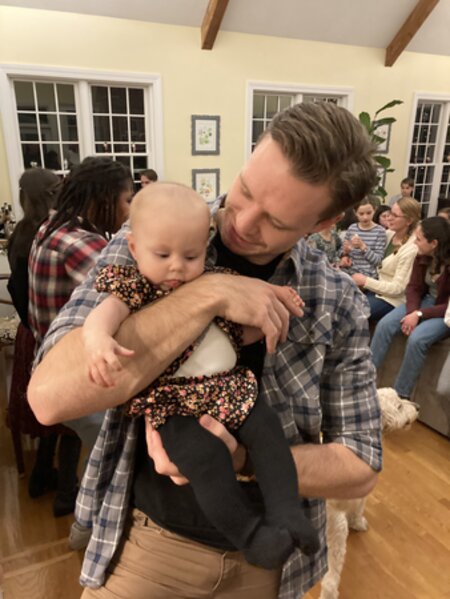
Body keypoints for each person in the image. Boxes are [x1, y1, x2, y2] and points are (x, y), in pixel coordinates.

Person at [29, 102, 382, 599]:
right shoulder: (157, 237)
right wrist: (208, 292)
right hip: (146, 546)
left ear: (323, 224)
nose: (243, 222)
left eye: (276, 220)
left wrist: (242, 460)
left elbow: (362, 464)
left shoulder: (335, 299)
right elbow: (48, 399)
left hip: (272, 565)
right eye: (245, 190)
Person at [82, 182, 319, 568]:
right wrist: (98, 342)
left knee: (269, 432)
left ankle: (287, 512)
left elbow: (235, 329)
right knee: (205, 461)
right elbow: (99, 319)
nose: (177, 266)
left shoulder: (214, 280)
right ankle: (250, 535)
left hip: (228, 387)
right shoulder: (133, 288)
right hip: (175, 405)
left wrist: (276, 305)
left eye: (191, 255)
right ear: (135, 249)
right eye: (163, 254)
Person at [28, 157, 133, 522]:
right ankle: (89, 525)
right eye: (127, 201)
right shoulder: (82, 243)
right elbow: (130, 295)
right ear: (102, 200)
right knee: (117, 458)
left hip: (49, 363)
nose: (129, 211)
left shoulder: (51, 227)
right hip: (73, 375)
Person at [7, 168, 63, 498]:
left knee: (47, 413)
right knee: (60, 413)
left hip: (28, 329)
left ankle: (42, 473)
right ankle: (57, 482)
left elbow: (16, 288)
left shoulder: (21, 231)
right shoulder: (48, 234)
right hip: (43, 329)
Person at [370, 217, 450, 399]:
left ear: (434, 243)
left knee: (417, 339)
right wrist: (412, 312)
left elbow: (447, 307)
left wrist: (420, 314)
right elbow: (413, 288)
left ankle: (400, 396)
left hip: (446, 312)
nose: (415, 242)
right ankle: (365, 380)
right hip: (425, 302)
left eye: (419, 239)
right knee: (384, 325)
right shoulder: (421, 255)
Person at [352, 198, 421, 321]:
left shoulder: (411, 248)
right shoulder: (388, 234)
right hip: (375, 289)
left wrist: (365, 281)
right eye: (390, 213)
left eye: (395, 215)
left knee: (354, 312)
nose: (389, 218)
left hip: (391, 299)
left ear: (409, 220)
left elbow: (397, 289)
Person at [339, 197, 386, 278]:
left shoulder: (380, 231)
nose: (365, 217)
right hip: (348, 271)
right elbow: (341, 252)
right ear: (355, 213)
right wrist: (345, 253)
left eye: (369, 213)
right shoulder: (352, 228)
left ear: (374, 210)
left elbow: (378, 261)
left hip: (367, 275)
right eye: (361, 214)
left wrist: (362, 246)